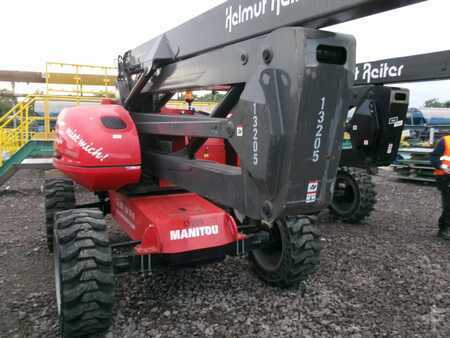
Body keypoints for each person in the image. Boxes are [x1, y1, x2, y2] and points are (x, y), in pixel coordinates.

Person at [431, 135, 450, 240]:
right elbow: (433, 158)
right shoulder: (446, 141)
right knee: (449, 203)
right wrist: (444, 167)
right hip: (445, 176)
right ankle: (444, 228)